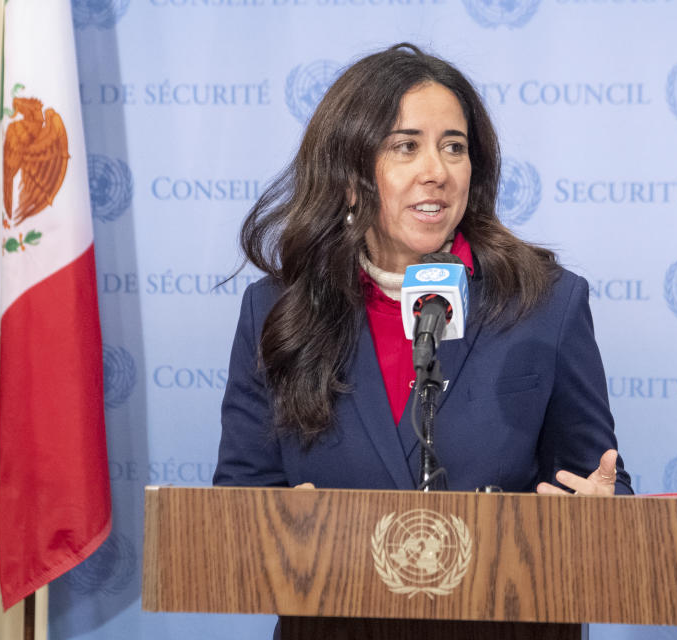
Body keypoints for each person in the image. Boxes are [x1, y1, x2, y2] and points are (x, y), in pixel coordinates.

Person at [214, 43, 632, 497]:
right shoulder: (276, 309)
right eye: (406, 146)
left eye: (454, 147)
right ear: (349, 178)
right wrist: (279, 528)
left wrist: (599, 511)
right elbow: (240, 502)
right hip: (333, 570)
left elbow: (601, 486)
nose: (436, 171)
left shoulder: (547, 303)